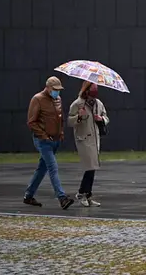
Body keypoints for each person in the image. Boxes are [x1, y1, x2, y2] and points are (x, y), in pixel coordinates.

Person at [23, 76, 74, 210]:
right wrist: (44, 136)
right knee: (52, 167)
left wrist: (61, 132)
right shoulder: (37, 99)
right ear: (48, 87)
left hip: (55, 140)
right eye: (55, 89)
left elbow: (60, 118)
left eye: (59, 89)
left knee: (42, 168)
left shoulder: (58, 99)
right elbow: (31, 122)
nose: (57, 92)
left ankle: (28, 195)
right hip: (43, 140)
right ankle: (62, 198)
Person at [68, 81, 109, 207]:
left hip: (95, 139)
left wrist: (101, 119)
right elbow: (70, 121)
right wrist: (79, 117)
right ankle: (82, 193)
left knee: (92, 167)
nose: (95, 93)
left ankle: (87, 194)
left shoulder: (98, 103)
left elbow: (106, 117)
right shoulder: (77, 104)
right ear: (86, 90)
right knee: (90, 167)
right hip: (84, 139)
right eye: (93, 89)